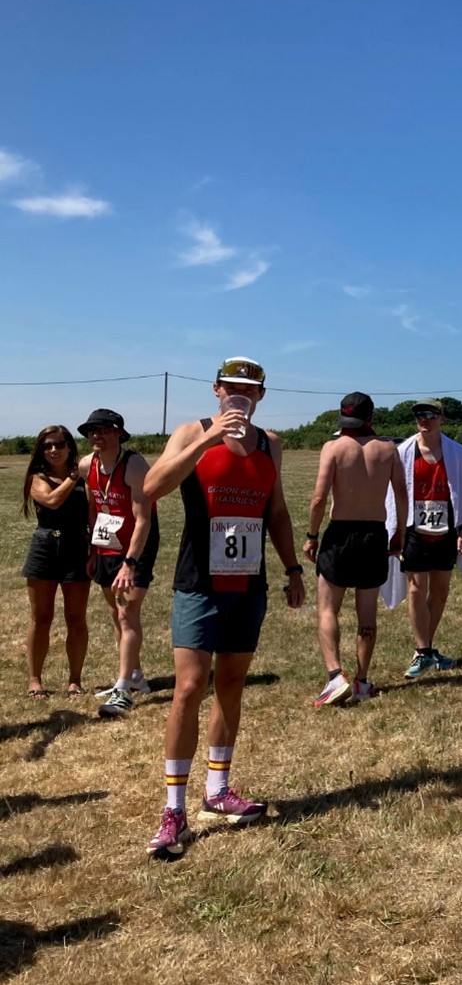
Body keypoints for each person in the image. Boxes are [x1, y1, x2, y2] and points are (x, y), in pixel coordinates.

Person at [141, 357, 306, 859]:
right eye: (232, 388)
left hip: (248, 584)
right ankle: (174, 810)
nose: (241, 396)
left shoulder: (270, 444)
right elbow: (151, 488)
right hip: (199, 581)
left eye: (250, 390)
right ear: (216, 390)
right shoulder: (192, 431)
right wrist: (206, 442)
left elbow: (275, 511)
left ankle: (218, 789)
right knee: (190, 687)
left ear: (261, 395)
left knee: (231, 684)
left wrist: (293, 569)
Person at [304, 393, 406, 707]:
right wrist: (398, 533)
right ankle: (361, 681)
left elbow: (319, 498)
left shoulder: (333, 448)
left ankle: (335, 675)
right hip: (374, 534)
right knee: (367, 616)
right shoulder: (389, 449)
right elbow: (402, 496)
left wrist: (312, 535)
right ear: (371, 418)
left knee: (327, 609)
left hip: (341, 533)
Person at [387, 399, 462, 676]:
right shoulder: (403, 452)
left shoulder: (458, 453)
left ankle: (425, 650)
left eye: (430, 414)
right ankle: (423, 649)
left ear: (442, 418)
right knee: (416, 589)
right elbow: (394, 496)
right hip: (414, 530)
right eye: (419, 414)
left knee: (440, 590)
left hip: (446, 531)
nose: (424, 419)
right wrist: (396, 530)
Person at [78, 409, 159, 717]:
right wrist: (94, 550)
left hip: (137, 546)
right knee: (116, 613)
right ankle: (136, 676)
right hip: (107, 545)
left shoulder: (135, 465)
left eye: (103, 430)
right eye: (91, 431)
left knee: (128, 614)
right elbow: (93, 508)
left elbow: (144, 519)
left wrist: (130, 562)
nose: (96, 435)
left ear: (118, 433)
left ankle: (123, 690)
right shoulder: (88, 464)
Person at [20, 425, 91, 701]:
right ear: (41, 449)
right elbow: (51, 501)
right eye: (48, 445)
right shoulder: (37, 477)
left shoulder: (86, 477)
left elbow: (95, 513)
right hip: (45, 548)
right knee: (41, 618)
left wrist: (95, 548)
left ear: (70, 446)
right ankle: (34, 680)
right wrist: (74, 477)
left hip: (77, 548)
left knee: (76, 619)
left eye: (60, 444)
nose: (54, 450)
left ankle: (75, 680)